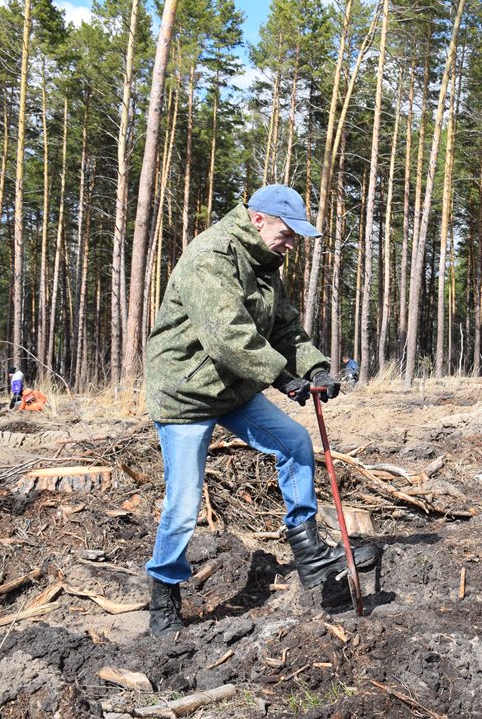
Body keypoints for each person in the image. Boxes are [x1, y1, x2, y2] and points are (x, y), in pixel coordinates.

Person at [143, 184, 379, 637]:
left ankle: (309, 554)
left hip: (232, 388)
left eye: (295, 238)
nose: (291, 245)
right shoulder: (211, 256)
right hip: (186, 394)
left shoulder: (265, 263)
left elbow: (285, 327)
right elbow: (227, 336)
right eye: (287, 234)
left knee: (294, 442)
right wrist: (282, 378)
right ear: (257, 220)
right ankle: (164, 596)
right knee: (184, 503)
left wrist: (314, 367)